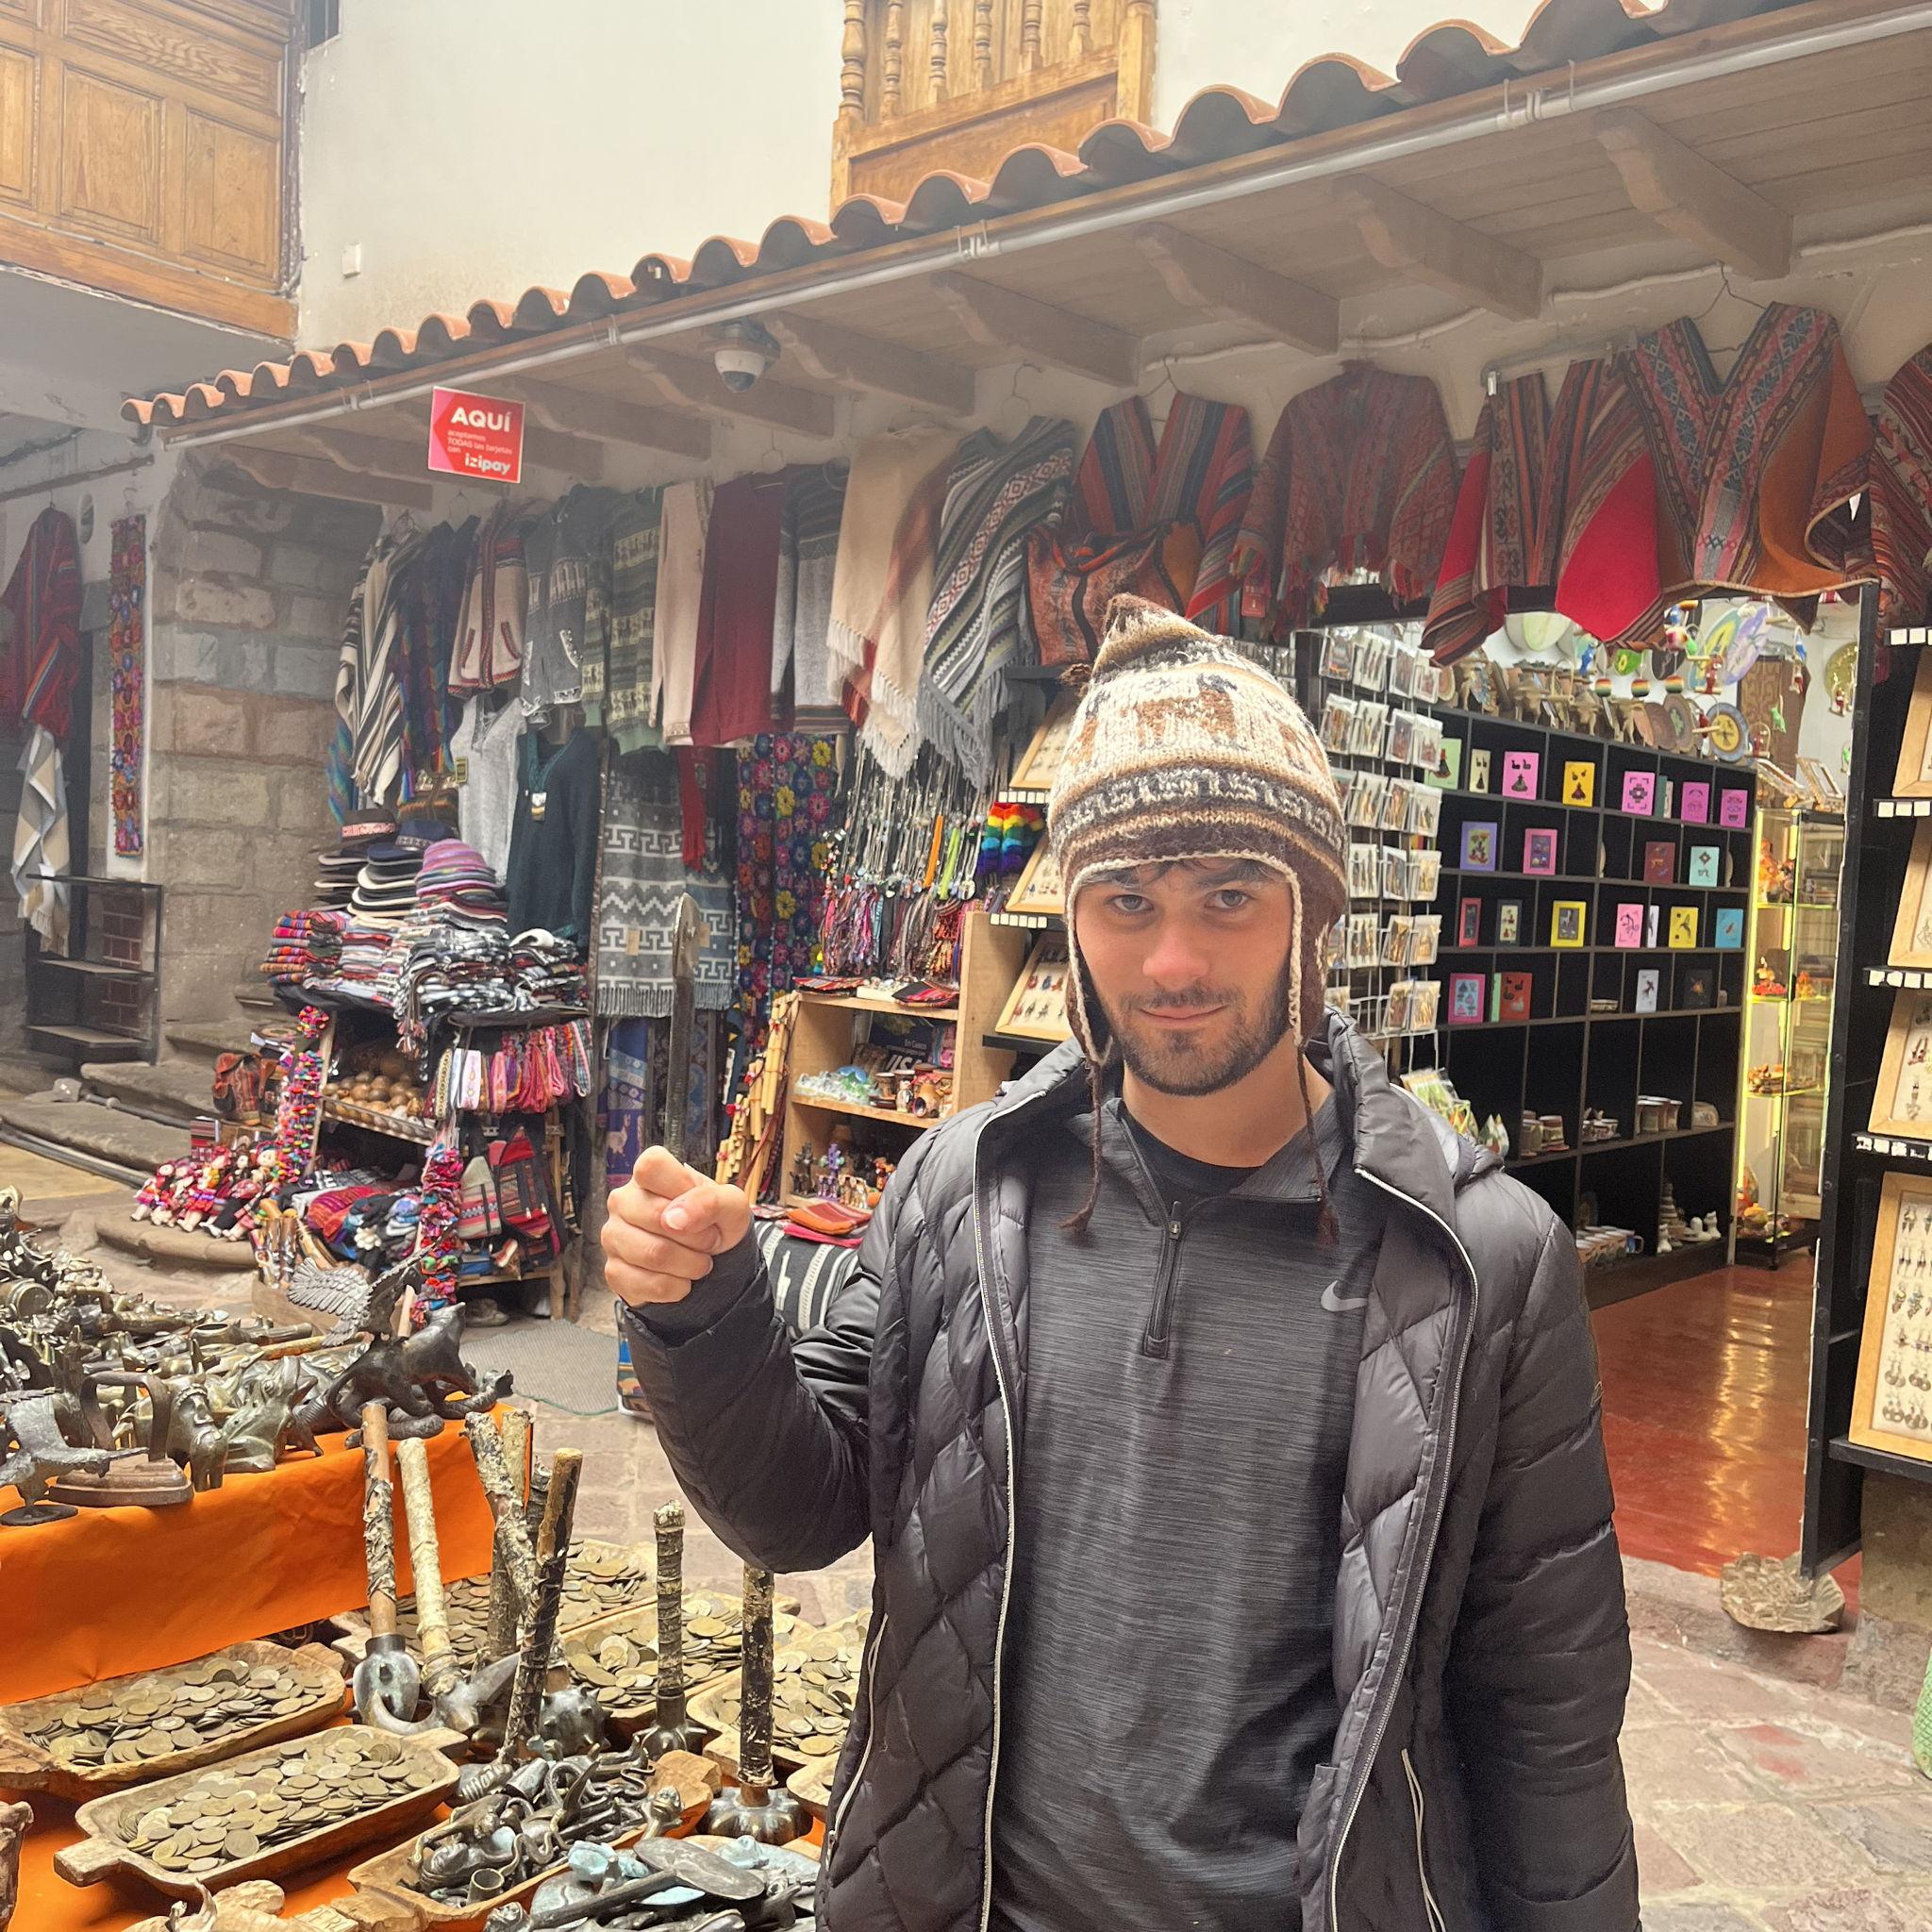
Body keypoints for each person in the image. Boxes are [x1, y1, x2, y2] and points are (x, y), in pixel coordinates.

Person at [604, 598, 1638, 1932]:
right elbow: (803, 1507)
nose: (1175, 959)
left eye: (1229, 896)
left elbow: (1544, 1717)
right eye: (1127, 900)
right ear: (1073, 913)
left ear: (1310, 910)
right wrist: (709, 1319)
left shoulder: (1474, 1262)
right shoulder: (963, 1192)